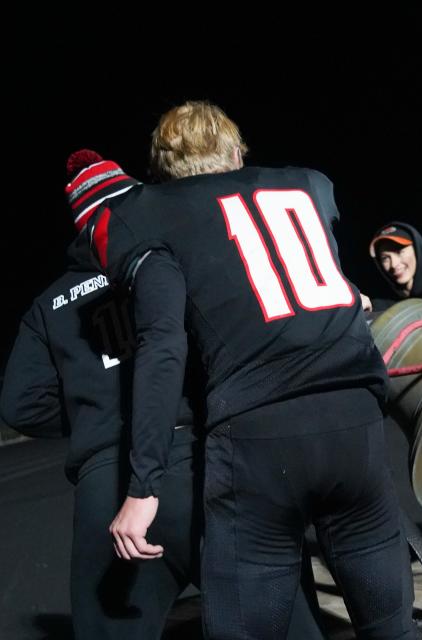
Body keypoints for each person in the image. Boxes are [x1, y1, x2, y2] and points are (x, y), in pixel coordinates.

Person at [91, 102, 419, 639]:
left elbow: (164, 346)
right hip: (354, 422)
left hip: (259, 437)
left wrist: (143, 485)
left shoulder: (148, 211)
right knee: (390, 626)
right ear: (237, 151)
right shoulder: (308, 185)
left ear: (161, 169)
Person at [1, 150, 329, 640]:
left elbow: (18, 404)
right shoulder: (176, 255)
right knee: (282, 625)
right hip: (207, 463)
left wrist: (96, 419)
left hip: (107, 489)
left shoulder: (50, 302)